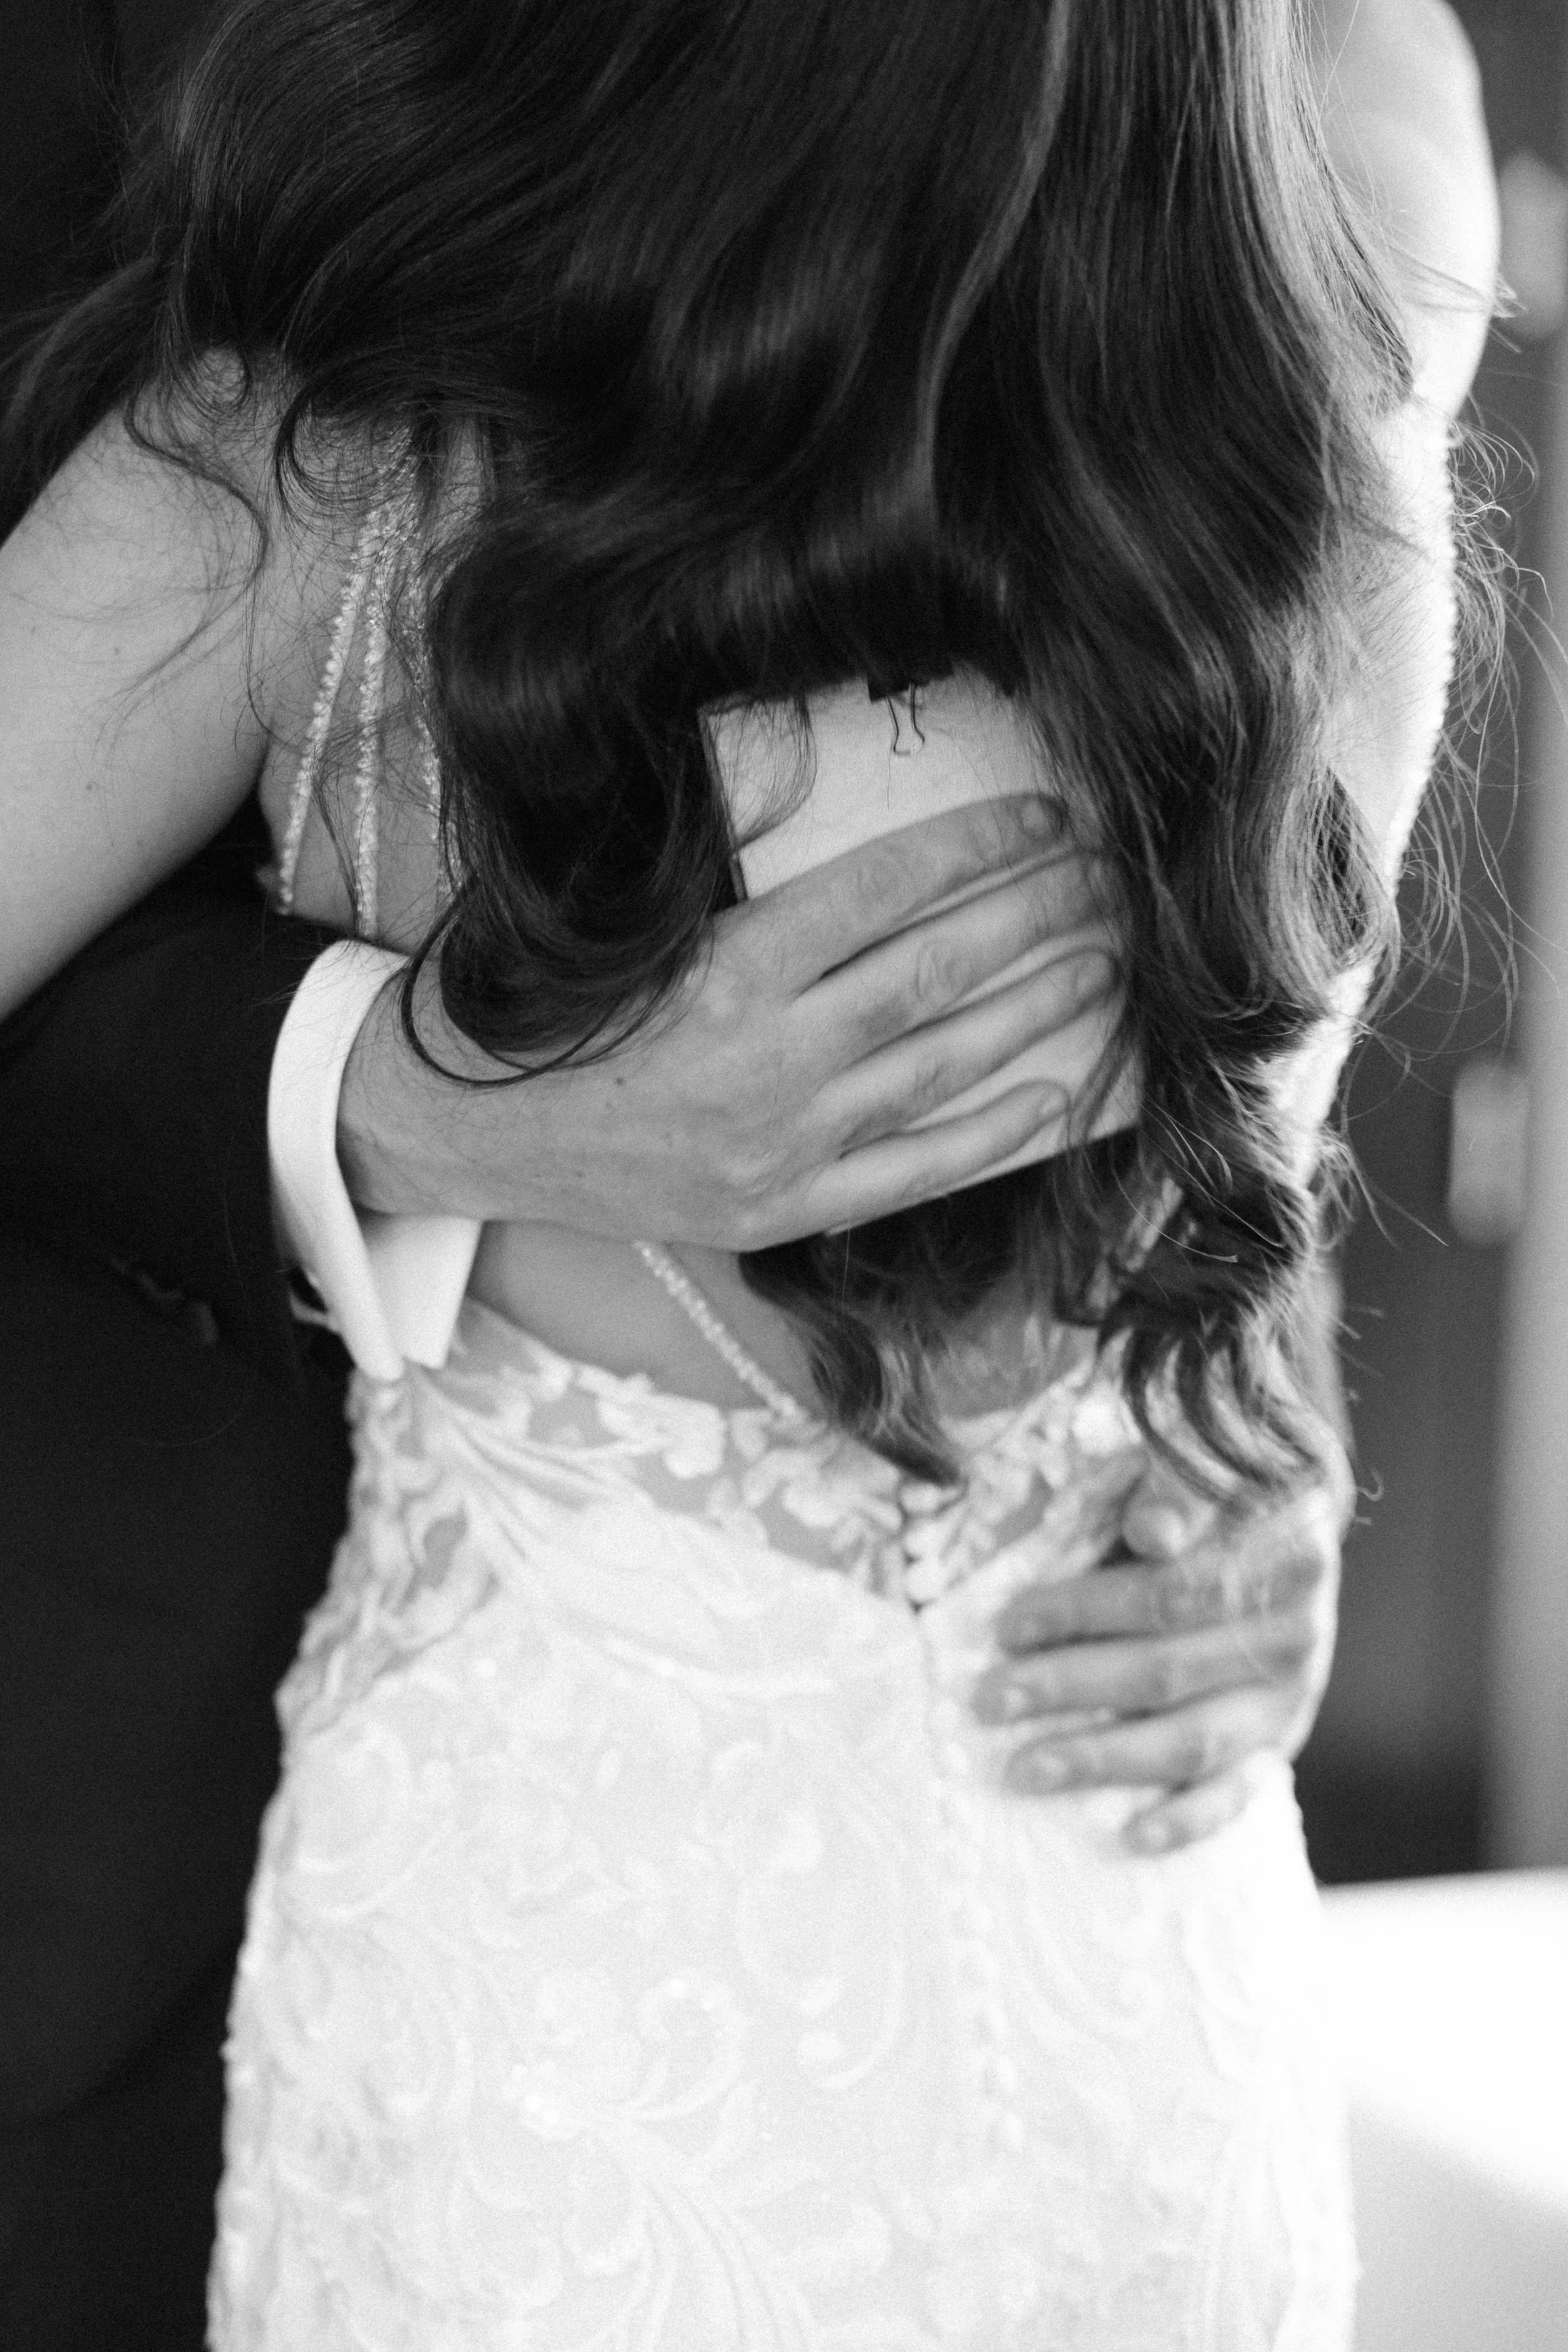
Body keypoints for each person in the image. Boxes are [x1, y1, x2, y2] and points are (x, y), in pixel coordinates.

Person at [0, 0, 1493, 2344]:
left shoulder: (327, 474)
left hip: (717, 1990)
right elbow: (1263, 1083)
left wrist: (1245, 1408)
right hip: (1044, 1944)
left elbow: (1239, 1177)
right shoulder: (1307, 405)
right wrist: (423, 1087)